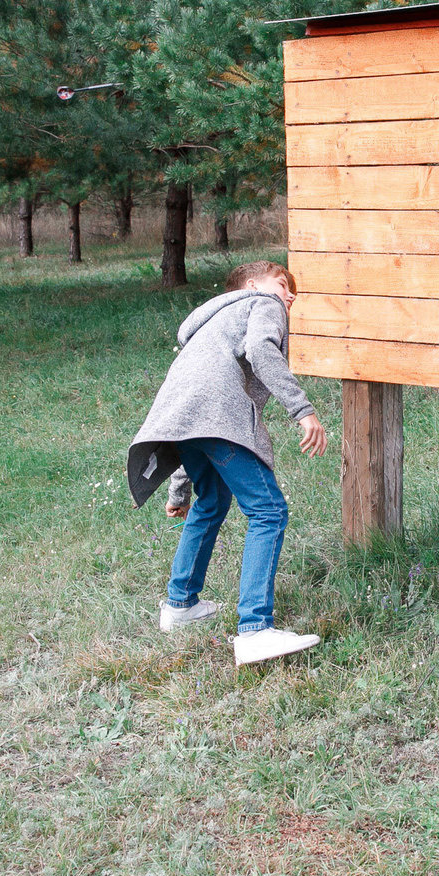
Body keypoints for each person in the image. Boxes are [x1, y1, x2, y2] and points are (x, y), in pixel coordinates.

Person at [124, 260, 326, 666]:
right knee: (268, 510)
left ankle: (180, 605)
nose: (290, 295)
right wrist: (302, 410)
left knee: (211, 501)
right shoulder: (261, 303)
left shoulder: (207, 328)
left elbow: (192, 415)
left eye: (291, 292)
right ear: (252, 285)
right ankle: (255, 628)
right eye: (284, 284)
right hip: (216, 416)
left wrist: (180, 488)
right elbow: (261, 350)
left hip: (187, 421)